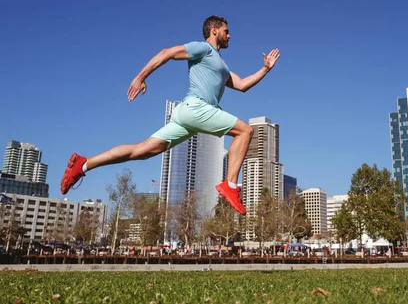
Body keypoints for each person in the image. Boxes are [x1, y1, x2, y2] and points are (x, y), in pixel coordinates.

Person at [60, 15, 280, 215]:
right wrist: (140, 77)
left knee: (143, 151)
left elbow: (242, 85)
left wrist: (266, 69)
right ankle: (231, 185)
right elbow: (166, 53)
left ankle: (84, 164)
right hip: (196, 108)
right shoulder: (203, 49)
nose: (229, 35)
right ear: (214, 30)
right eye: (226, 30)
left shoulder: (221, 65)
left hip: (189, 117)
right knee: (246, 130)